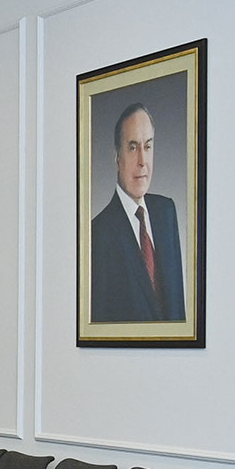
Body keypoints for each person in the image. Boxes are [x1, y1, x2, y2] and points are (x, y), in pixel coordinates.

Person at [89, 102, 187, 322]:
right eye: (133, 148)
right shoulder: (97, 234)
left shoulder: (166, 212)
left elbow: (178, 307)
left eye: (148, 147)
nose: (142, 161)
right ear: (117, 157)